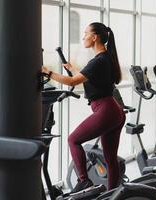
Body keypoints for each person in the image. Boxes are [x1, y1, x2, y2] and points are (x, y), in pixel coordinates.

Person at [42, 22, 126, 193]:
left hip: (106, 109)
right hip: (114, 110)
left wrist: (47, 72)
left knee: (73, 140)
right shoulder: (106, 58)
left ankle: (84, 181)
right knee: (110, 159)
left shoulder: (98, 61)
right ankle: (114, 195)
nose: (83, 37)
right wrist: (73, 69)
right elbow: (90, 80)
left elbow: (73, 82)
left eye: (86, 33)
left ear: (94, 37)